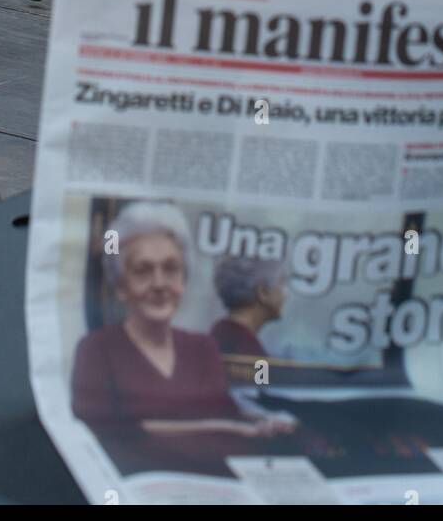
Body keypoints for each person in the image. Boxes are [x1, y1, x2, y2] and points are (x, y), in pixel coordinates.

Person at [71, 202, 295, 475]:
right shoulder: (96, 350)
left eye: (171, 268)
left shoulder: (203, 347)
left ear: (183, 280)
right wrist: (228, 429)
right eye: (143, 270)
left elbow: (225, 409)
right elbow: (114, 428)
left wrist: (268, 419)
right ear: (121, 286)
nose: (159, 283)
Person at [210, 256, 288, 358]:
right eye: (282, 284)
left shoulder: (214, 339)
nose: (286, 295)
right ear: (263, 292)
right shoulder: (254, 357)